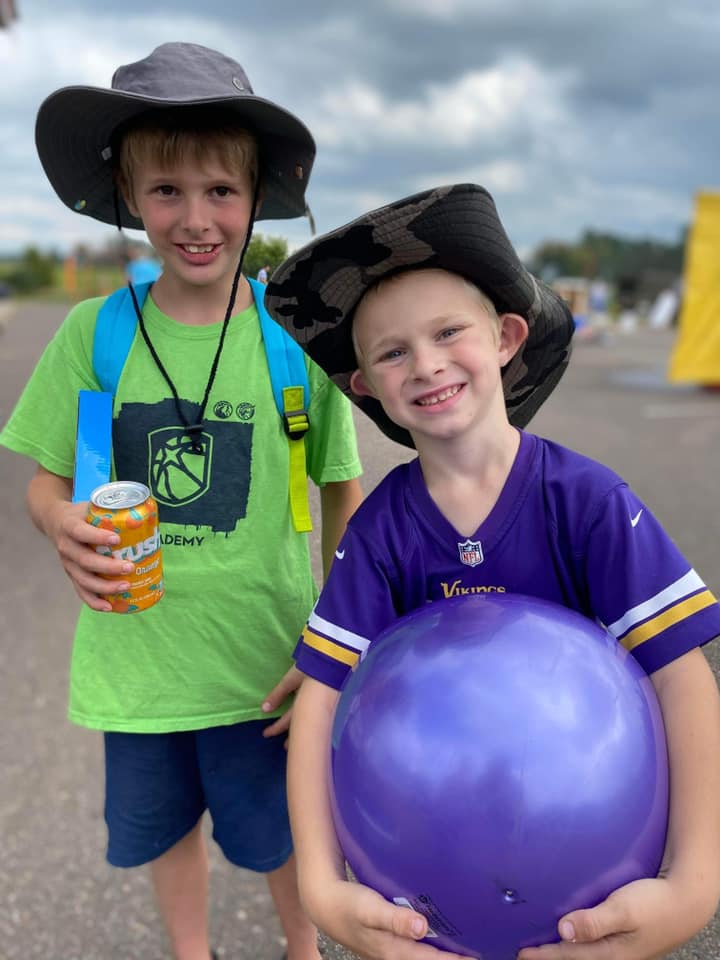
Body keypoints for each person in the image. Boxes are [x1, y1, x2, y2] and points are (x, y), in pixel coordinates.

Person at [264, 183, 720, 960]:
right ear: (364, 385)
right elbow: (323, 698)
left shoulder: (588, 502)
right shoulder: (380, 531)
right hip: (430, 881)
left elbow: (681, 674)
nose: (427, 364)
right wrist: (322, 887)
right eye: (393, 352)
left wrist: (694, 881)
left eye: (449, 332)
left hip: (587, 859)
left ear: (507, 337)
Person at [0, 43, 363, 960]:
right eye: (166, 191)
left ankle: (303, 948)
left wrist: (337, 640)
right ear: (128, 197)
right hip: (139, 664)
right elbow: (48, 480)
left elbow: (341, 491)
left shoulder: (293, 338)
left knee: (285, 829)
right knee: (164, 831)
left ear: (255, 197)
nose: (195, 219)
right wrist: (58, 521)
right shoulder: (96, 333)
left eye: (220, 191)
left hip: (267, 662)